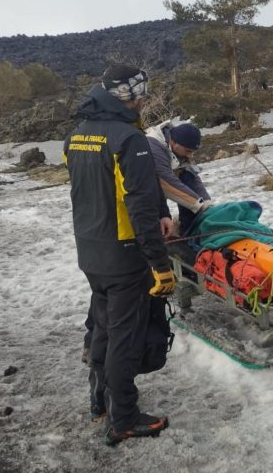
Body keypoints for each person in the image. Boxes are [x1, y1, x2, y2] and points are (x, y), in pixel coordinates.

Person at [64, 63, 176, 446]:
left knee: (102, 328)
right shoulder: (129, 138)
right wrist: (160, 265)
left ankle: (99, 402)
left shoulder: (77, 135)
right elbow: (138, 204)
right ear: (124, 96)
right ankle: (124, 417)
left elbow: (112, 191)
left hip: (91, 250)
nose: (144, 99)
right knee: (123, 338)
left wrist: (162, 210)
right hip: (125, 254)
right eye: (140, 93)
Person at [147, 122, 211, 233]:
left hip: (156, 190)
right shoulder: (154, 149)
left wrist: (207, 205)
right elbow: (166, 183)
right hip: (139, 196)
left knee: (185, 175)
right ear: (173, 142)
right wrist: (199, 204)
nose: (189, 155)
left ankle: (191, 229)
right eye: (188, 151)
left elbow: (191, 175)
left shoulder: (176, 146)